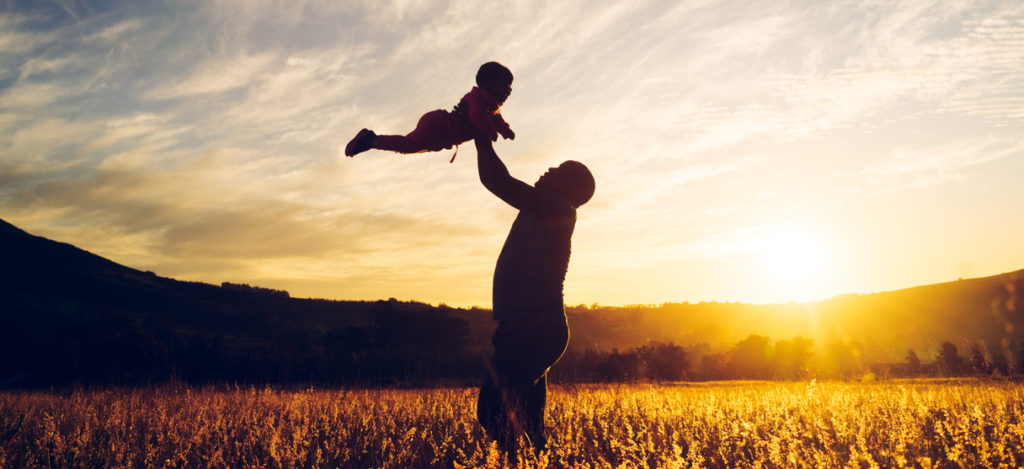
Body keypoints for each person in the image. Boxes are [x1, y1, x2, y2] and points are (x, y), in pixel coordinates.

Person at [473, 135, 594, 462]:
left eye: (555, 170)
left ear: (566, 187)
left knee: (492, 411)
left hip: (533, 329)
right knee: (529, 425)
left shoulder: (554, 206)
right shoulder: (547, 208)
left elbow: (497, 181)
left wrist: (481, 137)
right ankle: (537, 461)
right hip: (529, 328)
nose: (546, 170)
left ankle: (516, 462)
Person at [344, 62, 515, 161]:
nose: (509, 91)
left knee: (410, 145)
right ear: (490, 83)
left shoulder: (491, 106)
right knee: (409, 145)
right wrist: (490, 131)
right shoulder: (478, 98)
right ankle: (372, 140)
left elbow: (496, 118)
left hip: (441, 131)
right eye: (506, 86)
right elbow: (476, 116)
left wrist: (505, 130)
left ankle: (372, 140)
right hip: (439, 126)